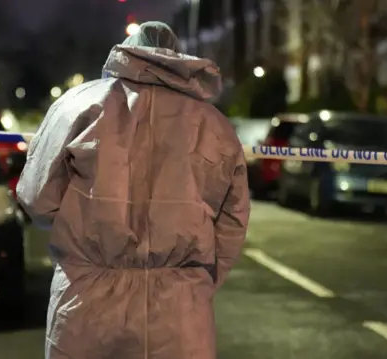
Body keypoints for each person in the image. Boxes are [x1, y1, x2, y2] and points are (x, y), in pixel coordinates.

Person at [17, 21, 250, 359]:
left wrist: (81, 233)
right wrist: (194, 283)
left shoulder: (79, 105)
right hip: (179, 311)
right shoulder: (214, 125)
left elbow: (36, 198)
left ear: (129, 49)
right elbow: (232, 223)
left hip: (86, 302)